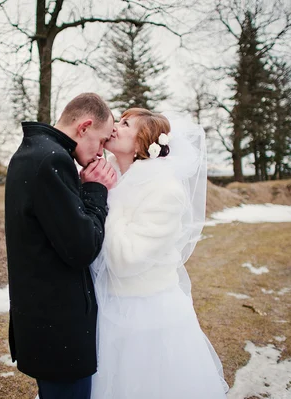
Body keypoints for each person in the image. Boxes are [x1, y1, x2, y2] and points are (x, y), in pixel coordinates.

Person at [90, 108, 229, 398]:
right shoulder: (106, 172)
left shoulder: (165, 192)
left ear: (142, 143)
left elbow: (124, 260)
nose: (115, 126)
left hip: (145, 314)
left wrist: (104, 198)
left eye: (126, 124)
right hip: (106, 306)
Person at [4, 93, 117, 399]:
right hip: (58, 327)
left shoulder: (35, 152)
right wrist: (95, 191)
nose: (102, 151)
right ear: (85, 127)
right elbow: (82, 248)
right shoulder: (51, 159)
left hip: (43, 319)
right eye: (102, 140)